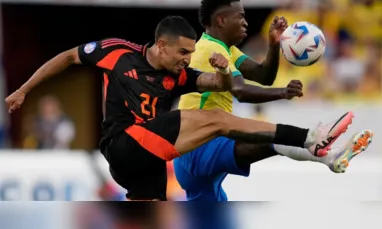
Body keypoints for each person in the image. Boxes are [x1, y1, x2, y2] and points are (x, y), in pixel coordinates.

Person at [6, 15, 356, 201]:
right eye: (183, 53)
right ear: (161, 45)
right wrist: (23, 90)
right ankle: (309, 137)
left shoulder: (180, 76)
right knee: (218, 121)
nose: (187, 60)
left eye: (191, 54)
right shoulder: (116, 52)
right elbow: (68, 57)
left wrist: (221, 71)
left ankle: (311, 143)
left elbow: (221, 85)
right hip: (121, 144)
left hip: (146, 161)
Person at [174, 0, 374, 201]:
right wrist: (283, 93)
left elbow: (263, 76)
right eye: (240, 17)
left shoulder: (228, 50)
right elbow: (240, 91)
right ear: (221, 20)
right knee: (271, 137)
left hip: (198, 148)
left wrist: (274, 44)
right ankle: (320, 146)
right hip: (198, 145)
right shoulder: (209, 49)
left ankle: (328, 154)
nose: (246, 23)